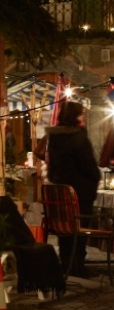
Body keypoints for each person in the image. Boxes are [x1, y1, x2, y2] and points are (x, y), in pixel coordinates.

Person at [46, 101, 101, 278]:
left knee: (65, 230)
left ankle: (66, 264)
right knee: (79, 228)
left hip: (61, 189)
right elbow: (89, 166)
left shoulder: (54, 138)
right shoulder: (78, 138)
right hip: (81, 191)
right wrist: (96, 177)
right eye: (81, 114)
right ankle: (78, 266)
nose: (83, 117)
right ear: (76, 116)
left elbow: (51, 166)